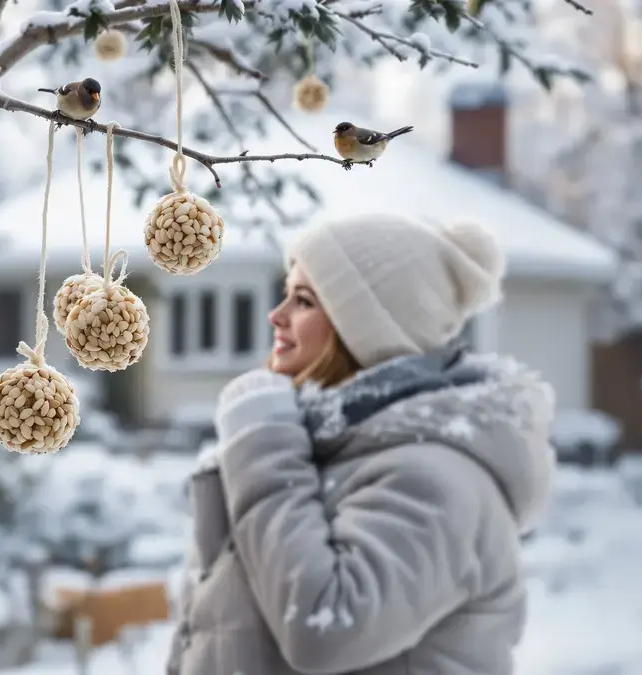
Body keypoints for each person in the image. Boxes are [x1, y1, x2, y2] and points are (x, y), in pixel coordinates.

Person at [167, 213, 557, 675]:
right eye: (285, 294)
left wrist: (264, 444)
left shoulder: (436, 481)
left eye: (304, 300)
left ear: (367, 329)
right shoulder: (313, 455)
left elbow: (324, 628)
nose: (277, 316)